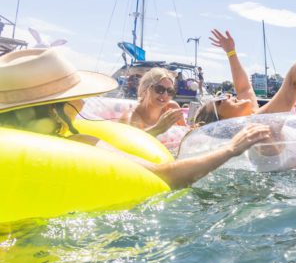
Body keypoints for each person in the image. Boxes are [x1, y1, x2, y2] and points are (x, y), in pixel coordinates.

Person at [0, 48, 271, 189]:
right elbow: (165, 176)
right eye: (75, 96)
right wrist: (232, 148)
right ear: (54, 108)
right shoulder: (81, 142)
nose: (82, 101)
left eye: (169, 90)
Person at [195, 11, 296, 124]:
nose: (227, 96)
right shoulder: (258, 124)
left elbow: (244, 89)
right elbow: (294, 84)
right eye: (220, 101)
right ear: (221, 122)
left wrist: (231, 52)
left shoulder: (251, 118)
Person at [123, 67, 186, 137]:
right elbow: (128, 141)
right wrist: (159, 128)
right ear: (145, 89)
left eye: (170, 91)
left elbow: (185, 132)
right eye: (159, 89)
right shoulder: (132, 116)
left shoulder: (172, 107)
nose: (165, 95)